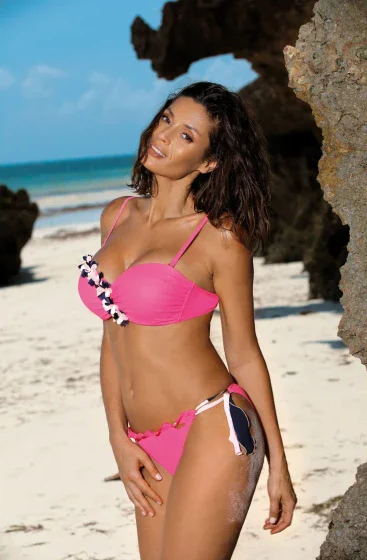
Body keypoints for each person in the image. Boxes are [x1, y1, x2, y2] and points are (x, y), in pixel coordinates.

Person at [78, 81, 297, 559]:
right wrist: (118, 436)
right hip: (144, 438)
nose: (163, 135)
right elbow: (112, 338)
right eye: (166, 119)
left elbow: (243, 352)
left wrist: (279, 464)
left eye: (186, 135)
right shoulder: (116, 216)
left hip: (213, 424)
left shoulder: (220, 237)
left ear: (209, 162)